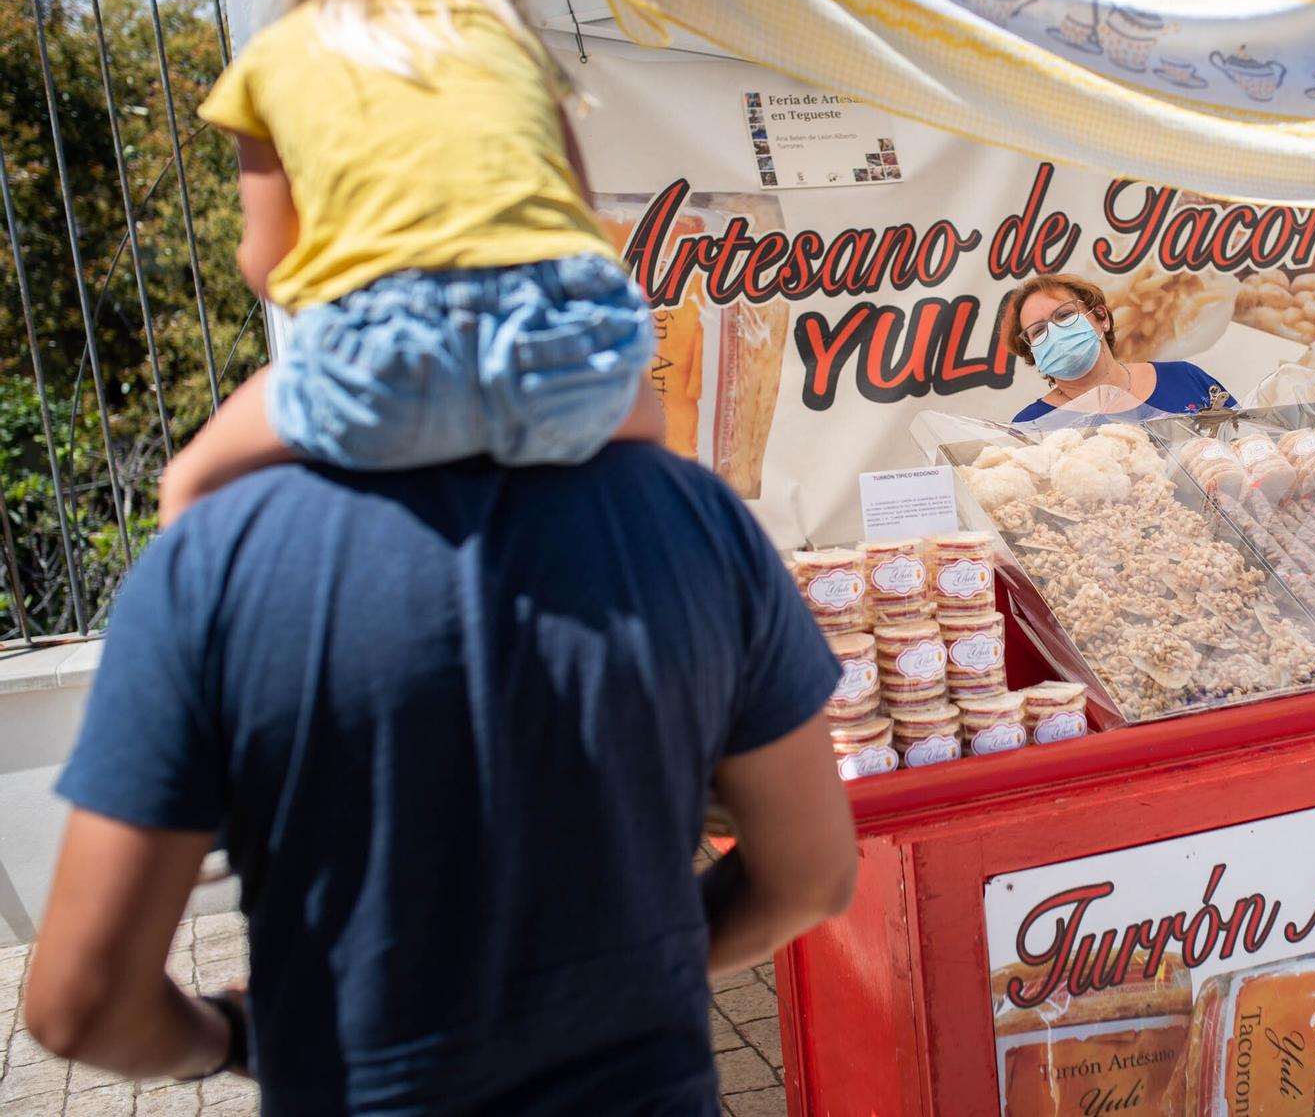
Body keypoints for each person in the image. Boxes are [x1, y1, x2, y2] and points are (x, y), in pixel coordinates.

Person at [23, 446, 857, 1113]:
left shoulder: (218, 560)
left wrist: (228, 1035)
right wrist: (638, 974)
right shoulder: (691, 516)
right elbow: (810, 874)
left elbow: (82, 1004)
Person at [157, 0, 660, 527]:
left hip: (383, 366)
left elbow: (270, 260)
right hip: (558, 352)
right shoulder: (511, 37)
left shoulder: (275, 60)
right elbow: (583, 216)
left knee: (190, 483)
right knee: (662, 462)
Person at [999, 273, 1236, 423]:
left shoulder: (1184, 378)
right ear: (1032, 352)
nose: (1055, 333)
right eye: (1039, 331)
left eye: (1065, 315)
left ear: (1101, 317)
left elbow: (1248, 442)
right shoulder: (1032, 426)